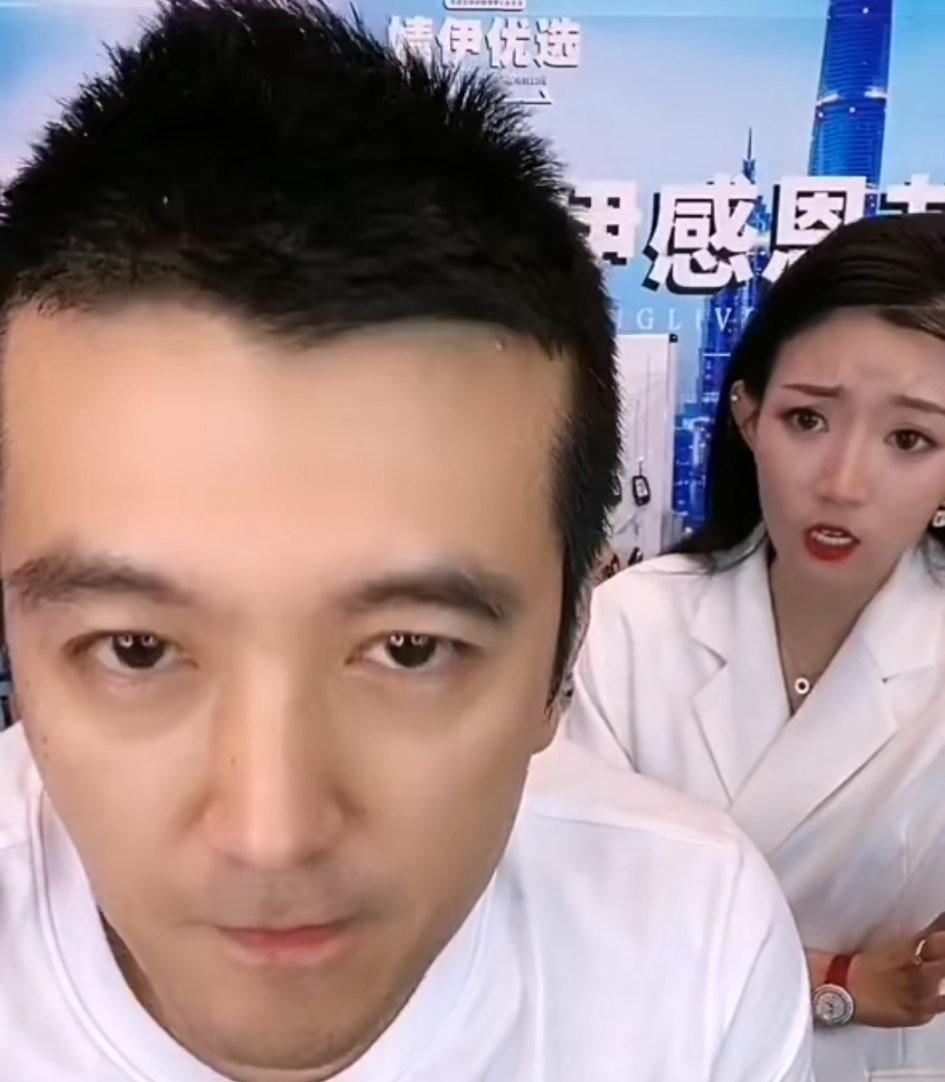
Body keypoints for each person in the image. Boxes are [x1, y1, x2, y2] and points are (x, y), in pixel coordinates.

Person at [0, 2, 812, 1080]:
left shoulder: (687, 947)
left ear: (567, 644)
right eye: (136, 649)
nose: (272, 833)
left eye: (411, 648)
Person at [566, 211, 945, 1082]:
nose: (841, 483)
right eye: (807, 420)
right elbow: (574, 915)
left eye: (908, 439)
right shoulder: (627, 631)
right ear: (746, 415)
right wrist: (834, 980)